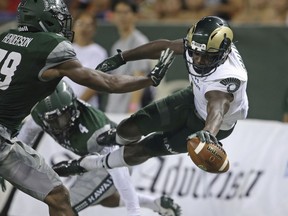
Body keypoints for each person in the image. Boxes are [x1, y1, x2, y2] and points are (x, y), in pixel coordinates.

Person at [0, 0, 174, 215]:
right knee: (61, 199)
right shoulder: (50, 46)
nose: (63, 23)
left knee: (59, 196)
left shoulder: (5, 38)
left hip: (6, 139)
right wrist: (148, 80)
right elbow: (107, 82)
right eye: (57, 17)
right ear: (43, 19)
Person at [44, 16, 249, 179]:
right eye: (195, 52)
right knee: (129, 127)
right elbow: (165, 46)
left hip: (212, 127)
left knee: (145, 149)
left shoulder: (229, 77)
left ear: (224, 52)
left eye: (207, 56)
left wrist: (207, 133)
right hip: (192, 100)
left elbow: (217, 108)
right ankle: (115, 138)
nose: (199, 60)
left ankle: (87, 166)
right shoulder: (201, 45)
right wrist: (122, 57)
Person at [18, 80, 182, 216]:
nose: (59, 124)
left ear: (72, 108)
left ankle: (146, 205)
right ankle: (155, 204)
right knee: (104, 198)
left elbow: (119, 170)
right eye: (53, 120)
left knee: (61, 206)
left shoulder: (96, 131)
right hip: (93, 162)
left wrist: (134, 210)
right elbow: (25, 136)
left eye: (63, 116)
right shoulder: (41, 117)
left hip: (116, 160)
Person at [105, 0, 155, 114]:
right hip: (114, 107)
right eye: (118, 12)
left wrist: (132, 109)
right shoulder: (116, 46)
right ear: (113, 16)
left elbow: (139, 79)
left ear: (135, 15)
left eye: (126, 12)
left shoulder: (139, 41)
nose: (122, 17)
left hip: (128, 111)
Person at [63, 12, 108, 108]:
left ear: (94, 29)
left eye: (88, 25)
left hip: (86, 108)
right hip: (62, 106)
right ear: (73, 27)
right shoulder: (65, 50)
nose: (83, 29)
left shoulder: (99, 52)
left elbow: (95, 83)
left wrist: (76, 104)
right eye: (80, 23)